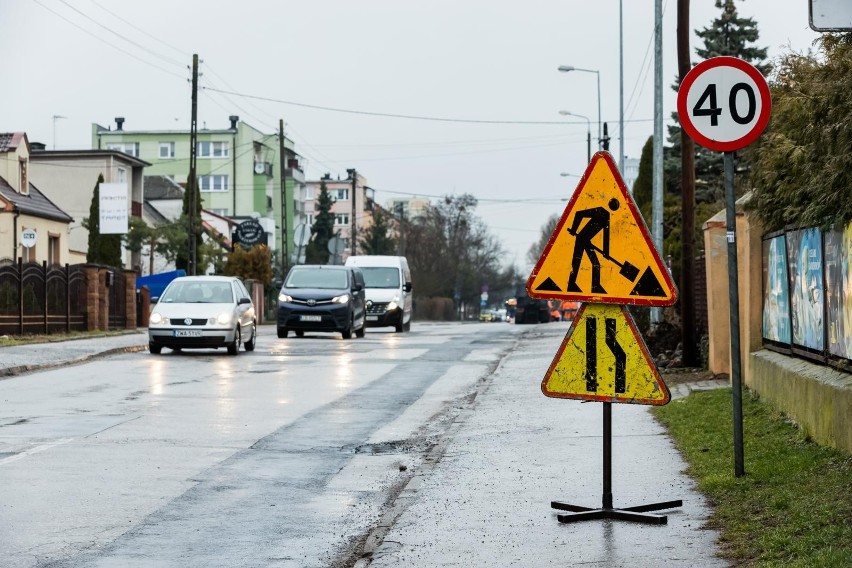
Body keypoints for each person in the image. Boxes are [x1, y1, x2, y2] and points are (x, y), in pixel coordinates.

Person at [566, 198, 620, 294]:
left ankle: (594, 287)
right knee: (577, 262)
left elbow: (605, 236)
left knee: (594, 264)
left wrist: (606, 252)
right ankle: (574, 285)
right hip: (581, 239)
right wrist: (574, 229)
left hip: (586, 241)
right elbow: (579, 213)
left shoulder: (606, 216)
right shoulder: (599, 211)